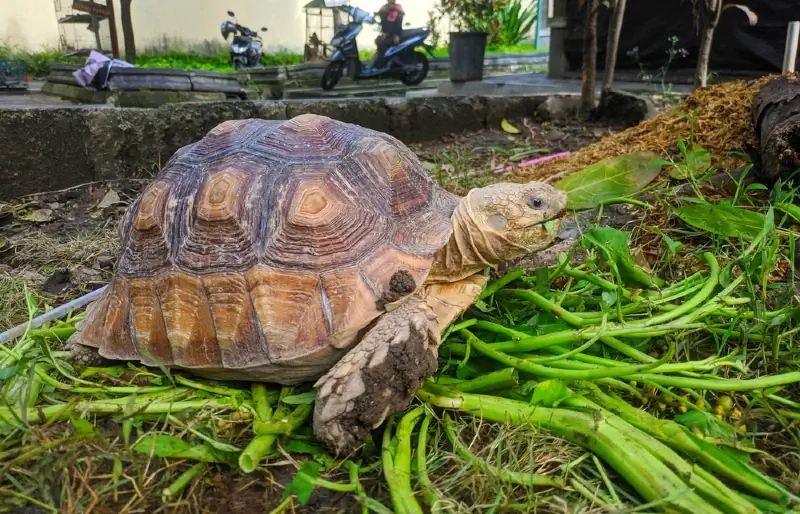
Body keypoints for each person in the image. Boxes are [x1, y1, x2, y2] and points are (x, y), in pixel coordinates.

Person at [371, 0, 404, 69]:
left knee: (384, 43)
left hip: (395, 33)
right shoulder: (384, 8)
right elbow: (382, 21)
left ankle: (382, 65)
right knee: (378, 41)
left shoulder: (398, 8)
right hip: (386, 33)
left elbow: (398, 23)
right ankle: (380, 63)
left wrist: (396, 35)